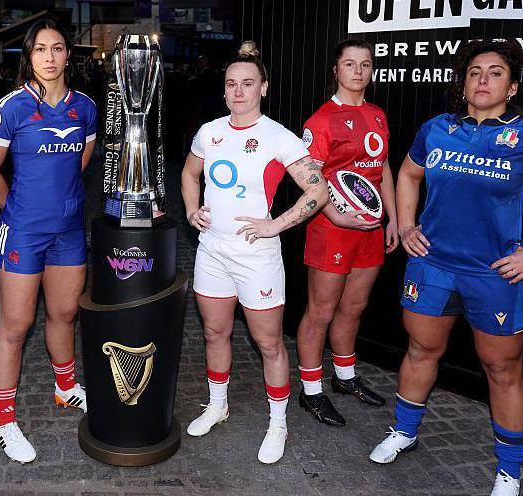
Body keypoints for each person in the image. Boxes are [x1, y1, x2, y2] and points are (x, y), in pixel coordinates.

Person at [368, 40, 523, 496]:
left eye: (495, 72)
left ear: (513, 85)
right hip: (432, 267)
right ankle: (404, 432)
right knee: (421, 351)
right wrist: (405, 224)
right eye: (474, 72)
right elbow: (407, 175)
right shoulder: (437, 129)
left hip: (495, 275)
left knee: (503, 369)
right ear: (463, 84)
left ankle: (509, 471)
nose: (483, 79)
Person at [181, 41, 328, 464]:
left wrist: (275, 225)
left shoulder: (278, 136)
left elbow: (318, 190)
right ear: (224, 90)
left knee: (268, 344)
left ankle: (278, 422)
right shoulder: (210, 131)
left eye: (247, 83)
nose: (238, 91)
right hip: (212, 250)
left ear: (264, 87)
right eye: (231, 84)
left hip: (256, 256)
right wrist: (192, 210)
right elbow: (190, 174)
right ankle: (217, 405)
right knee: (214, 333)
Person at [0, 18, 97, 464]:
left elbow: (81, 157)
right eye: (41, 49)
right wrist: (21, 211)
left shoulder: (84, 106)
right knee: (15, 325)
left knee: (64, 314)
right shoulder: (10, 108)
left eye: (58, 48)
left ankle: (65, 388)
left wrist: (58, 202)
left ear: (69, 54)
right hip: (23, 231)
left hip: (67, 230)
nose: (50, 57)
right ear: (28, 56)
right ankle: (4, 420)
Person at [295, 39, 398, 427]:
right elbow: (311, 180)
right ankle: (311, 391)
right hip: (332, 229)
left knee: (353, 309)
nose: (358, 71)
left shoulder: (377, 114)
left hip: (369, 231)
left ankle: (344, 377)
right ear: (336, 70)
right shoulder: (321, 120)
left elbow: (383, 168)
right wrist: (339, 217)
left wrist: (392, 219)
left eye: (365, 64)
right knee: (319, 312)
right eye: (350, 64)